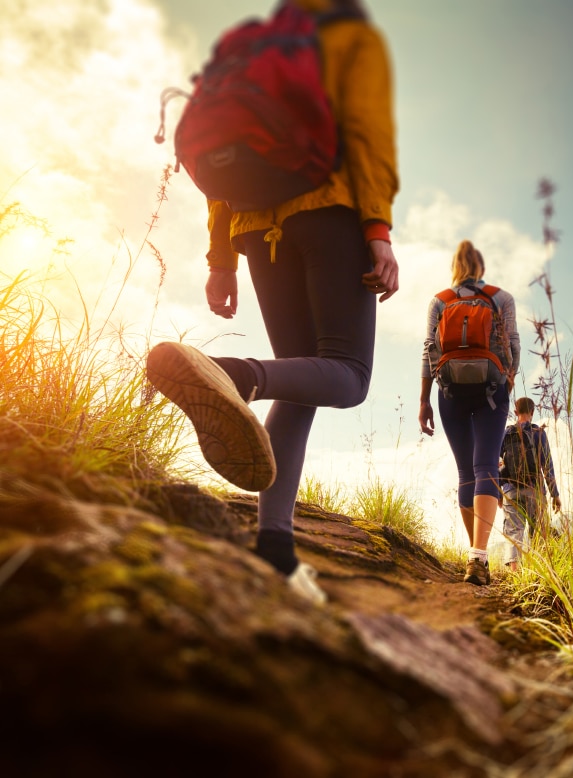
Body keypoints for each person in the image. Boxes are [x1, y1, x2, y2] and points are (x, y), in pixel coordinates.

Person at [147, 0, 399, 606]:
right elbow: (367, 133)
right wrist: (378, 231)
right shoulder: (349, 37)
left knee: (302, 384)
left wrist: (220, 260)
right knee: (348, 375)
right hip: (328, 216)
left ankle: (276, 551)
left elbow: (223, 171)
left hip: (255, 230)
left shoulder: (252, 43)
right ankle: (235, 376)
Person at [419, 240, 520, 586]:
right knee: (486, 468)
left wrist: (424, 400)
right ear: (481, 267)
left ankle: (475, 555)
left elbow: (427, 351)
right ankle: (478, 554)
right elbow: (514, 346)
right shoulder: (500, 298)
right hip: (492, 391)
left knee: (466, 473)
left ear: (455, 267)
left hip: (450, 393)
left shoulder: (440, 301)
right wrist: (505, 386)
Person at [499, 396, 562, 571]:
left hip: (510, 490)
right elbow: (547, 465)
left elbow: (497, 463)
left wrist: (498, 493)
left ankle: (515, 573)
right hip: (535, 490)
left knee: (514, 531)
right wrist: (555, 494)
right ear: (532, 412)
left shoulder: (505, 433)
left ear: (515, 411)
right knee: (538, 531)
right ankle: (538, 573)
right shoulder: (538, 433)